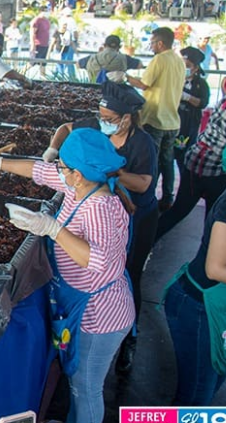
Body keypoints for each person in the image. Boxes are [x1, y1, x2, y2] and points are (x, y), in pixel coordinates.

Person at [0, 128, 133, 423]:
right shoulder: (82, 185)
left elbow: (97, 259)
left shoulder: (99, 207)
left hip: (99, 317)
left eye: (64, 166)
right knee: (78, 383)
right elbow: (41, 171)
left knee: (86, 389)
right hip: (81, 303)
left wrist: (52, 228)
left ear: (78, 173)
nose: (58, 171)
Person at [44, 81, 159, 374]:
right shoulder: (94, 125)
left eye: (109, 120)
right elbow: (65, 128)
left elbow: (145, 183)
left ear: (126, 117)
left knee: (124, 273)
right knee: (95, 269)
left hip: (135, 215)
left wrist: (107, 170)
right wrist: (52, 149)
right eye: (102, 117)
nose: (103, 123)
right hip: (99, 202)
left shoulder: (142, 143)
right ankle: (92, 325)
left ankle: (128, 337)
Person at [162, 127, 226, 406]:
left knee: (213, 381)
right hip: (198, 306)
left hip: (222, 307)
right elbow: (216, 268)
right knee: (196, 395)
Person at [156, 66, 226, 240]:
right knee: (214, 220)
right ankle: (208, 258)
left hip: (195, 162)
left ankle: (143, 246)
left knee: (178, 211)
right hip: (217, 172)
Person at [124, 27, 186, 211]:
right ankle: (167, 198)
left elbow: (143, 84)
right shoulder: (179, 60)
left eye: (152, 43)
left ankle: (147, 198)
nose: (150, 47)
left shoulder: (159, 59)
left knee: (151, 161)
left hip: (155, 118)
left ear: (160, 43)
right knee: (167, 162)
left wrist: (125, 77)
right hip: (173, 120)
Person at [175, 47, 211, 172]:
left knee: (184, 157)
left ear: (195, 68)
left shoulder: (201, 84)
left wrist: (187, 97)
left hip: (189, 122)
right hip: (173, 120)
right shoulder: (174, 80)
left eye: (187, 66)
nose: (184, 69)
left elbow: (203, 102)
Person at [31, 11, 51, 76]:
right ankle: (22, 73)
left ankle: (43, 77)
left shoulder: (47, 21)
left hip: (45, 45)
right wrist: (33, 45)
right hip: (38, 44)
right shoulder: (37, 20)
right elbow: (33, 33)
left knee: (43, 63)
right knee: (32, 62)